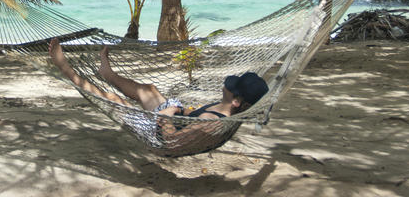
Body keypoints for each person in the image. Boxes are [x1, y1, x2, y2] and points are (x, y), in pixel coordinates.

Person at [48, 38, 269, 145]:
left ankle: (64, 66)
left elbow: (172, 140)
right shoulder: (224, 110)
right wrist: (183, 111)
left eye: (231, 87)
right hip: (175, 115)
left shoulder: (212, 123)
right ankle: (107, 73)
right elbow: (194, 119)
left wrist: (168, 116)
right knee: (148, 89)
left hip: (156, 131)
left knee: (114, 99)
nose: (226, 85)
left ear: (237, 102)